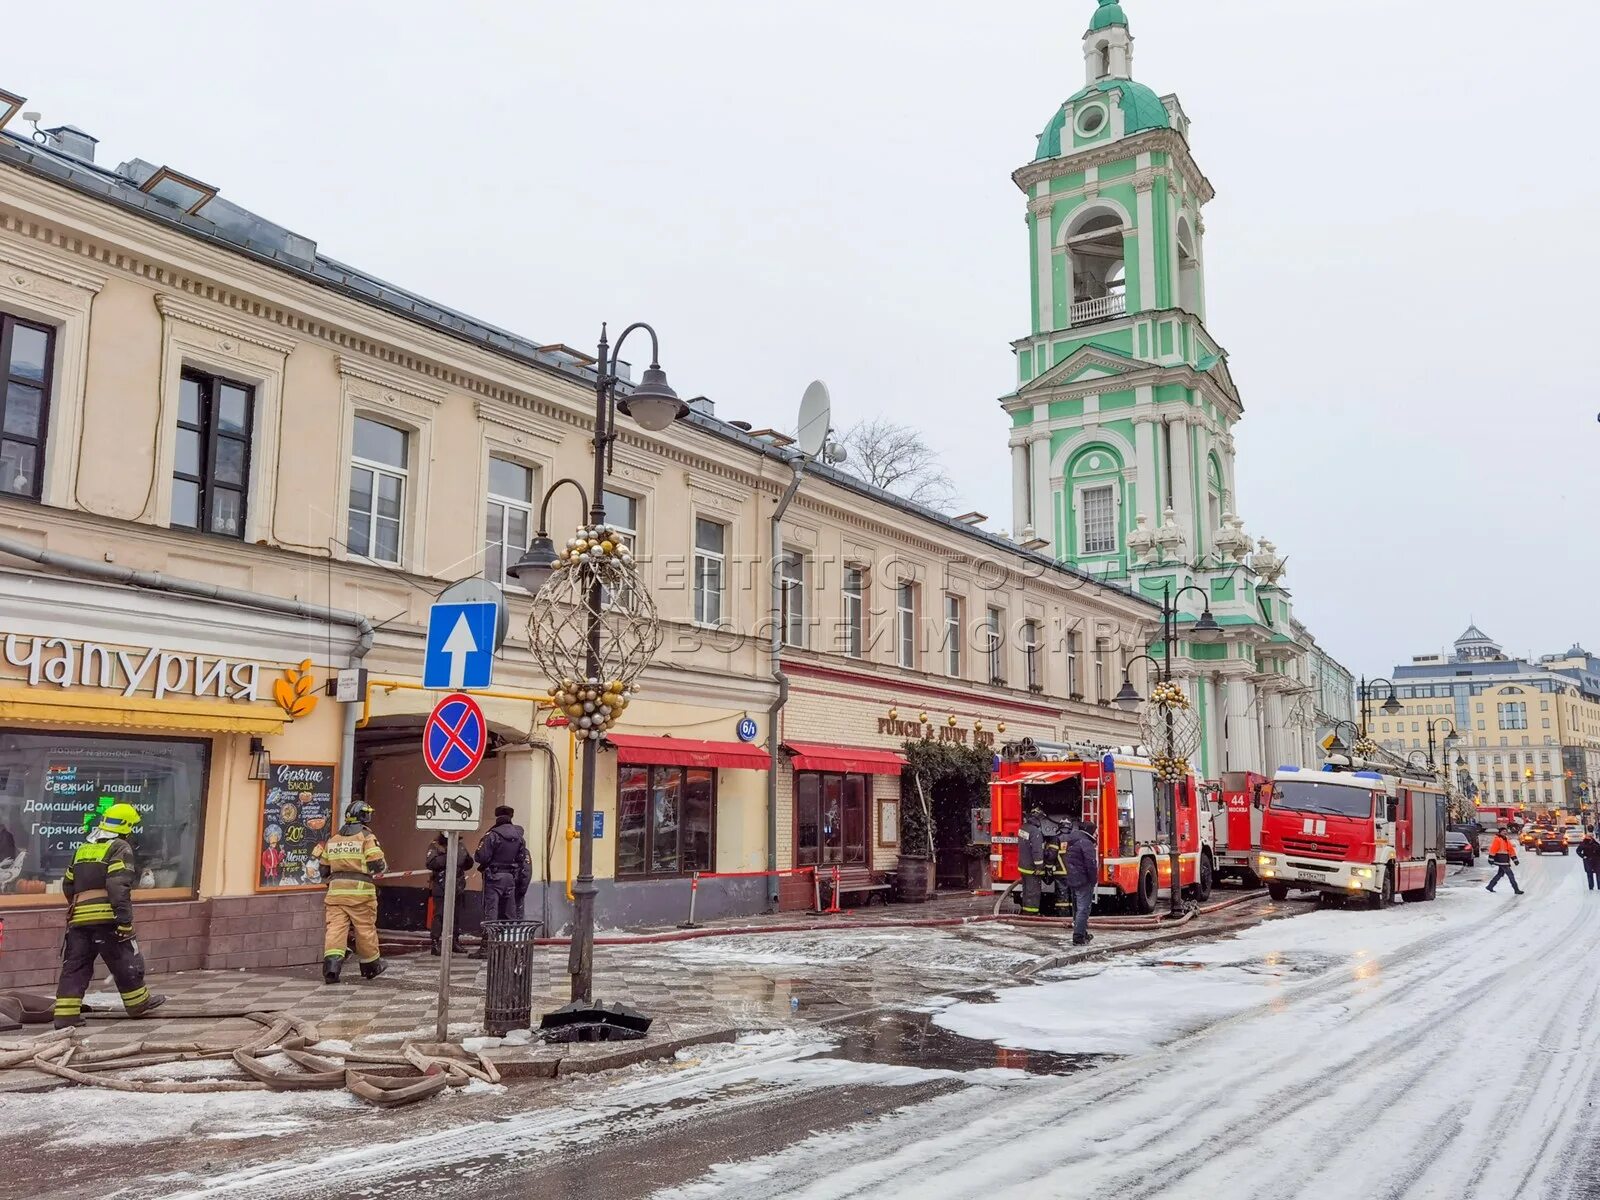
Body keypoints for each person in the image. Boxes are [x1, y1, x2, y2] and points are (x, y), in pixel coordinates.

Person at [53, 802, 167, 1029]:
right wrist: (124, 920)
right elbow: (118, 885)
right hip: (107, 918)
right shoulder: (119, 847)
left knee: (75, 965)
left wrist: (80, 908)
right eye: (131, 828)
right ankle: (137, 1004)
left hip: (79, 920)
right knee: (125, 960)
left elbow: (68, 885)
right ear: (125, 827)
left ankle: (65, 1016)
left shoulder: (83, 848)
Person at [315, 799, 388, 983]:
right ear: (364, 815)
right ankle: (371, 966)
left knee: (335, 930)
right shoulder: (366, 837)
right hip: (361, 895)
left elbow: (323, 870)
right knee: (365, 929)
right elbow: (376, 865)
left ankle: (331, 969)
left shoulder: (334, 839)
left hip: (335, 894)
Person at [471, 806, 531, 958]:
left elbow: (481, 856)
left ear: (497, 817)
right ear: (511, 816)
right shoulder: (518, 836)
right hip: (510, 878)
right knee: (509, 912)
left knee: (491, 911)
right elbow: (522, 858)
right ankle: (510, 946)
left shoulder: (492, 835)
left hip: (494, 877)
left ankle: (487, 947)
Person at [426, 832, 472, 955]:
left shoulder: (460, 845)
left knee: (455, 916)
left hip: (457, 885)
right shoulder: (436, 846)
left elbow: (468, 863)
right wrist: (449, 856)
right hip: (441, 885)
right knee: (439, 915)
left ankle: (454, 941)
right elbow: (431, 863)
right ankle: (435, 942)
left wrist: (465, 858)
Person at [1063, 819, 1100, 946]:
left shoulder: (1073, 841)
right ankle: (1079, 936)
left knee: (1077, 909)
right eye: (1095, 831)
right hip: (1083, 880)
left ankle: (1082, 933)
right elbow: (1091, 864)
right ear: (1090, 831)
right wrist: (1093, 879)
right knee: (1083, 909)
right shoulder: (1086, 843)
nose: (1096, 834)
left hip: (1073, 878)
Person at [1016, 807, 1044, 916]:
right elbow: (1037, 850)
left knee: (1027, 891)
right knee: (1033, 892)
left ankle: (1025, 910)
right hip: (1032, 868)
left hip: (1023, 866)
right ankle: (1032, 914)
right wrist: (1039, 867)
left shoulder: (1023, 828)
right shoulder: (1035, 832)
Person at [1485, 826, 1524, 895]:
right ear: (1500, 832)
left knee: (1500, 874)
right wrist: (1490, 858)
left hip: (1505, 860)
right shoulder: (1497, 839)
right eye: (1503, 831)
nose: (1505, 832)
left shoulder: (1506, 840)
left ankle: (1490, 886)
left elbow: (1511, 850)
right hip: (1501, 860)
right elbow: (1493, 849)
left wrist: (1515, 859)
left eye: (1505, 831)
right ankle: (1516, 889)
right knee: (1510, 875)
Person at [1578, 827, 1600, 892]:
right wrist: (1583, 856)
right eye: (1589, 836)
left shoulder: (1596, 843)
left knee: (1598, 873)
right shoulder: (1584, 843)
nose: (1591, 837)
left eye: (1592, 836)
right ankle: (1591, 887)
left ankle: (1599, 887)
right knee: (1589, 873)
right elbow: (1578, 851)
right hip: (1588, 860)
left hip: (1597, 860)